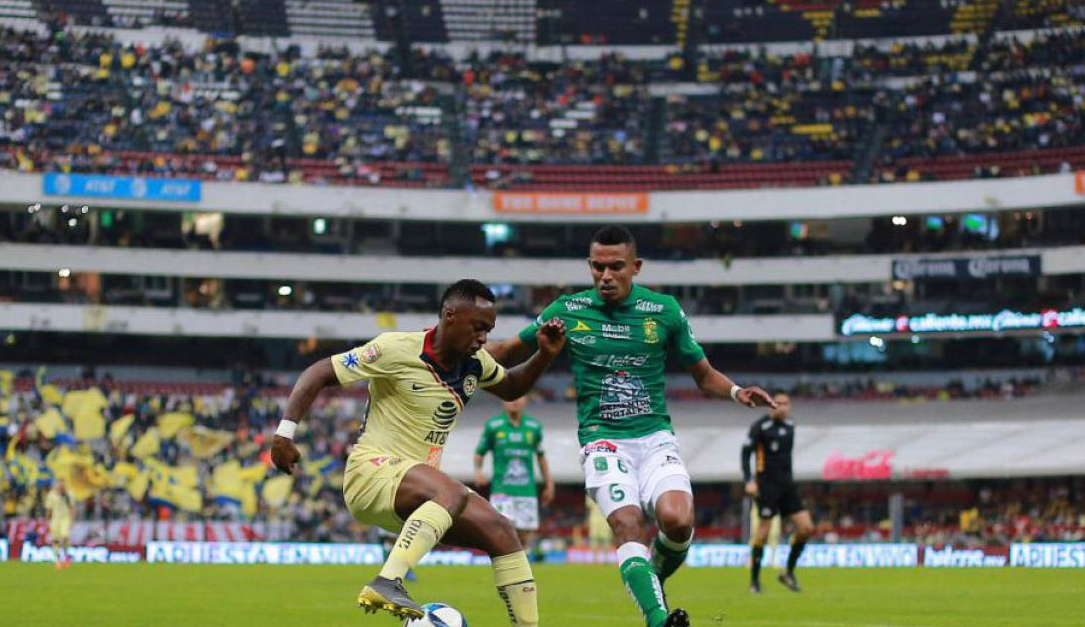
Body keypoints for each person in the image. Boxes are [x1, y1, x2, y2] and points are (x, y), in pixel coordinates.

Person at [489, 225, 776, 627]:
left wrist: (737, 392)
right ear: (590, 267)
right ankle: (659, 618)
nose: (606, 276)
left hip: (655, 438)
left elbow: (704, 374)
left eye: (616, 267)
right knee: (626, 523)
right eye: (598, 267)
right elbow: (505, 351)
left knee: (678, 521)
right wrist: (444, 349)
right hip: (602, 441)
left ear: (635, 267)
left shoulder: (664, 311)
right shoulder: (567, 311)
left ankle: (650, 578)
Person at [271, 279, 566, 625]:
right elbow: (319, 371)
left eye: (488, 330)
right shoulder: (396, 348)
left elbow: (513, 385)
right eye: (478, 327)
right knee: (451, 490)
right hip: (371, 474)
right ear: (450, 315)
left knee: (501, 530)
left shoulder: (474, 364)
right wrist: (284, 433)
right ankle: (387, 580)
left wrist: (545, 355)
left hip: (420, 493)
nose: (483, 338)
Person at [741, 393, 813, 593]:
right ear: (770, 405)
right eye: (777, 403)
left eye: (785, 404)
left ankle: (788, 572)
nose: (781, 407)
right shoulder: (760, 427)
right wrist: (749, 480)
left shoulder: (790, 427)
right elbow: (746, 453)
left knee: (806, 528)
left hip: (787, 485)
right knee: (763, 533)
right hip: (766, 486)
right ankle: (754, 582)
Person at [473, 396, 554, 553]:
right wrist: (478, 471)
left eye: (519, 397)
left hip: (526, 491)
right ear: (503, 400)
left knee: (524, 535)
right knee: (502, 532)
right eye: (511, 397)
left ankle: (521, 572)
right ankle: (506, 570)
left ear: (526, 400)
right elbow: (479, 453)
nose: (514, 401)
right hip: (502, 490)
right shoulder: (494, 426)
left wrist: (549, 483)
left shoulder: (534, 427)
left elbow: (541, 457)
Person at [44, 479, 73, 569]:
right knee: (55, 539)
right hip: (55, 520)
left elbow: (72, 508)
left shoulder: (68, 495)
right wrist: (47, 521)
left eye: (62, 485)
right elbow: (49, 509)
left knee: (65, 537)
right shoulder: (51, 495)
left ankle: (66, 556)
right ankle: (57, 560)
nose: (61, 486)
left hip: (65, 519)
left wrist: (72, 519)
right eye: (59, 484)